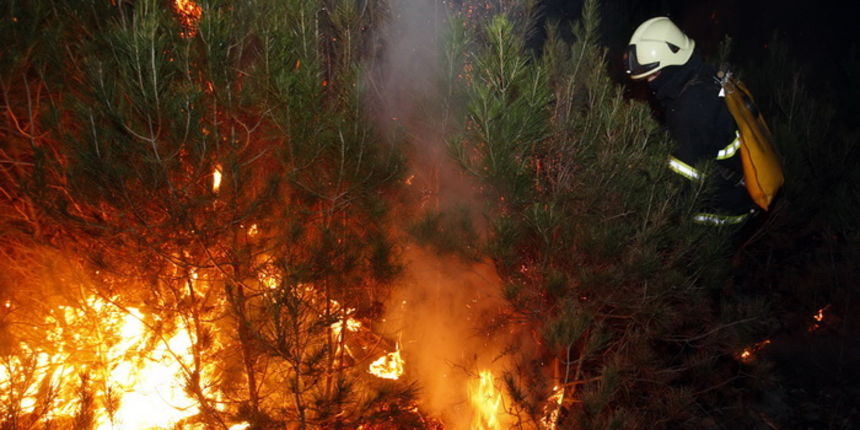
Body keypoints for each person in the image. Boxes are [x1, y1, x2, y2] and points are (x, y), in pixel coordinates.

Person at [625, 16, 758, 226]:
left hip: (723, 214)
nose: (650, 83)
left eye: (654, 75)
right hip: (742, 191)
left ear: (671, 65)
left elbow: (680, 185)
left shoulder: (687, 110)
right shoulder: (707, 76)